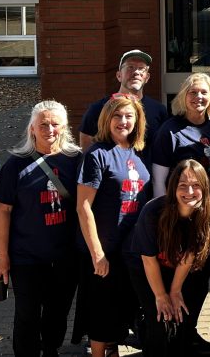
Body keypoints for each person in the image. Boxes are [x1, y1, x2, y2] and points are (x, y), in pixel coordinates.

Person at [0, 100, 82, 357]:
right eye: (43, 124)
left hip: (65, 255)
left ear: (64, 128)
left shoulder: (77, 161)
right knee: (27, 313)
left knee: (58, 310)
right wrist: (2, 256)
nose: (49, 129)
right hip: (26, 256)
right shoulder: (15, 165)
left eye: (55, 124)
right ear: (32, 129)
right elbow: (3, 212)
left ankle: (50, 349)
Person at [76, 94, 151, 357]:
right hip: (105, 251)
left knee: (119, 314)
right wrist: (97, 254)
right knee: (102, 317)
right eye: (117, 116)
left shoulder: (134, 152)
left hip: (129, 251)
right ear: (107, 119)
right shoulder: (97, 155)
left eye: (129, 116)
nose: (123, 121)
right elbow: (83, 206)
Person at [128, 159, 210, 355]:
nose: (189, 192)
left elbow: (190, 254)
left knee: (183, 317)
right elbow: (148, 259)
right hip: (148, 268)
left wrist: (175, 291)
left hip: (183, 269)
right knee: (160, 319)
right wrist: (162, 296)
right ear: (172, 187)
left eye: (196, 185)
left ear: (205, 187)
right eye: (183, 186)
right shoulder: (152, 213)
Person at [78, 49, 169, 173]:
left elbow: (162, 150)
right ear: (119, 75)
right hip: (111, 184)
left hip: (147, 184)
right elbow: (86, 145)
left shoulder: (159, 110)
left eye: (141, 68)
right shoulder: (99, 108)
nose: (136, 72)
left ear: (147, 77)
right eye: (130, 67)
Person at [151, 73, 210, 196]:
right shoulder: (169, 130)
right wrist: (163, 211)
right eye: (193, 92)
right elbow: (158, 181)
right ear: (183, 96)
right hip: (181, 204)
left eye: (204, 92)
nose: (199, 96)